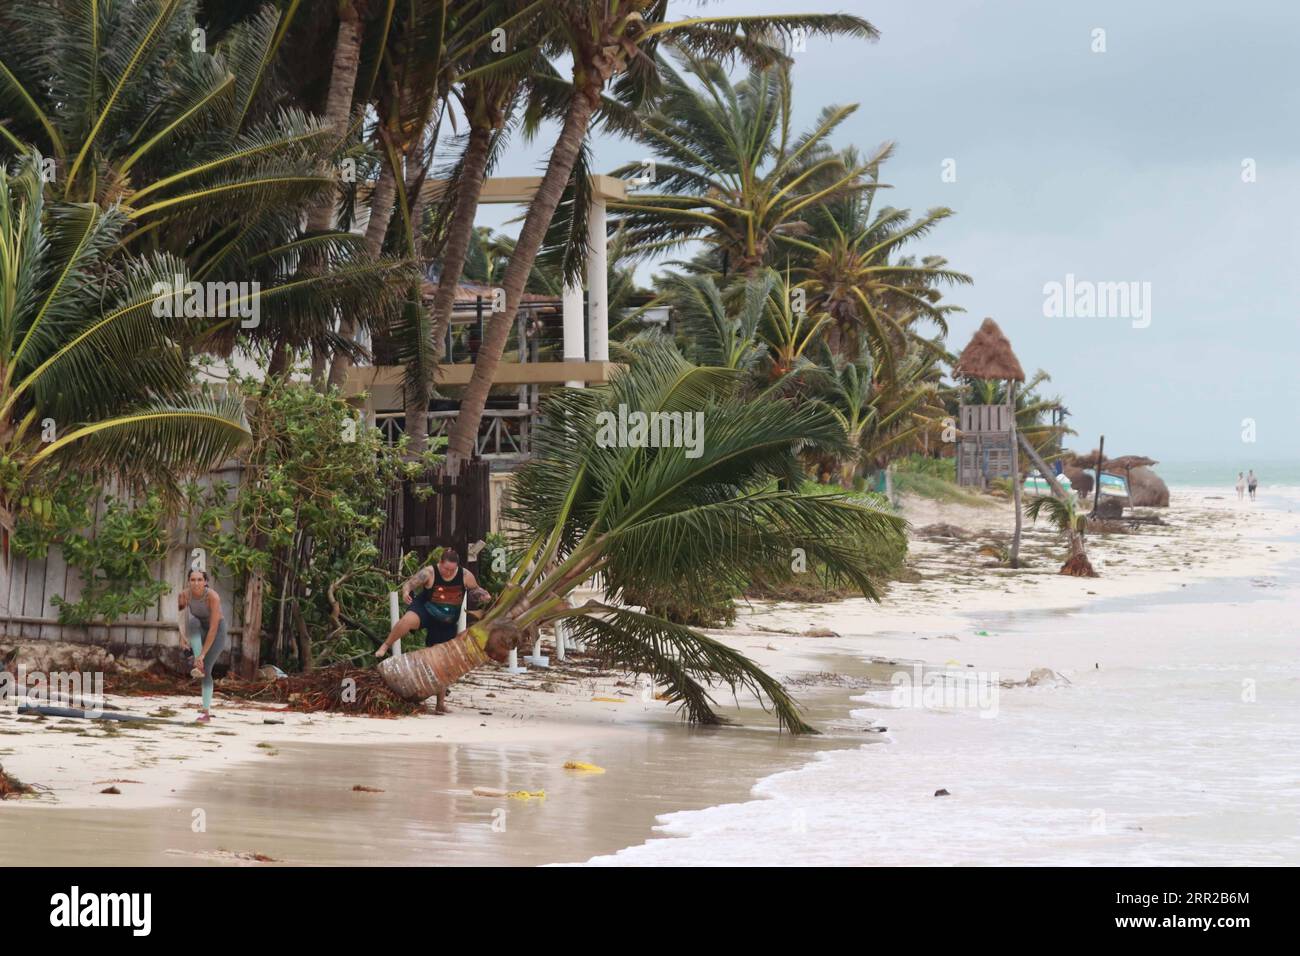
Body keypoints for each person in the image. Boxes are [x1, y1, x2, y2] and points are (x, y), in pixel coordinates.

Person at [375, 549, 485, 714]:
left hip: (447, 620)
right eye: (446, 569)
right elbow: (409, 584)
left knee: (443, 662)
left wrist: (483, 595)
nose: (448, 572)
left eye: (452, 570)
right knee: (407, 620)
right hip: (425, 609)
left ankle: (440, 703)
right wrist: (405, 592)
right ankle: (385, 645)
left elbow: (475, 590)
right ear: (440, 563)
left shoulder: (465, 575)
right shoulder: (428, 573)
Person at [177, 569, 227, 724]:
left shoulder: (213, 597)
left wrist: (202, 654)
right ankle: (199, 666)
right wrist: (183, 638)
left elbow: (213, 628)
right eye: (193, 580)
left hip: (216, 632)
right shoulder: (184, 595)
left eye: (199, 579)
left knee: (208, 671)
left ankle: (206, 713)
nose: (196, 583)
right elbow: (182, 618)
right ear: (188, 581)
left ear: (205, 582)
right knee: (193, 621)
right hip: (198, 629)